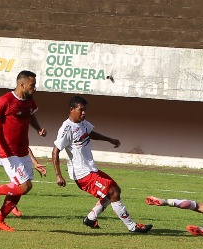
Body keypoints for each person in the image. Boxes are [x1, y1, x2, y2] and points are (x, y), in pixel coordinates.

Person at [52, 96, 149, 233]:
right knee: (113, 192)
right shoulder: (66, 129)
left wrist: (110, 140)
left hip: (91, 169)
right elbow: (55, 151)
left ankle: (90, 219)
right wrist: (58, 175)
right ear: (72, 109)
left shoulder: (83, 123)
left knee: (115, 190)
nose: (84, 113)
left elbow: (90, 134)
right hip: (82, 174)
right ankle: (132, 227)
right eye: (81, 110)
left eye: (85, 110)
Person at [0, 70, 48, 232]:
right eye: (32, 85)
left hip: (22, 150)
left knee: (19, 189)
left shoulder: (29, 101)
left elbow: (30, 115)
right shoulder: (6, 100)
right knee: (25, 186)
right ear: (21, 84)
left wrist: (38, 128)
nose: (35, 88)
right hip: (8, 151)